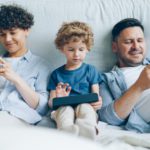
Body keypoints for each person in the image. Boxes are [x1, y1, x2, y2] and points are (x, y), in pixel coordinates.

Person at [48, 21, 102, 139]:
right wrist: (59, 99)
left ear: (87, 49)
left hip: (85, 106)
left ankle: (88, 129)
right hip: (63, 107)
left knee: (85, 108)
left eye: (81, 49)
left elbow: (96, 95)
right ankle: (67, 131)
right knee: (65, 110)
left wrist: (97, 102)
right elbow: (51, 103)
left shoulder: (90, 70)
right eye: (71, 50)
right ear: (62, 49)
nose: (76, 54)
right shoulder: (56, 74)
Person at [0, 4, 49, 126]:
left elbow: (42, 108)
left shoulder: (40, 65)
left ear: (26, 30)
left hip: (16, 117)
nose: (7, 39)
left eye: (13, 32)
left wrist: (15, 78)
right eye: (2, 34)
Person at [99, 18, 150, 133]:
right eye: (128, 42)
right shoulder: (106, 80)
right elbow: (107, 117)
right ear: (114, 47)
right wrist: (139, 86)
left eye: (140, 40)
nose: (136, 46)